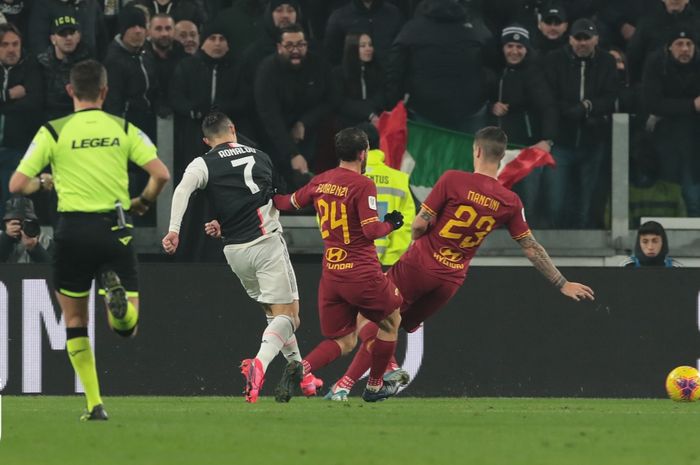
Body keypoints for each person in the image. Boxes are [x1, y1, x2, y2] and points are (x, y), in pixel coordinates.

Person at [324, 127, 595, 400]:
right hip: (449, 282)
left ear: (476, 150)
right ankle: (353, 384)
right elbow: (531, 247)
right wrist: (562, 282)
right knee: (393, 324)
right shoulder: (510, 201)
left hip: (419, 266)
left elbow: (419, 225)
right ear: (501, 157)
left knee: (369, 318)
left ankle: (362, 381)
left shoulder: (453, 180)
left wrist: (415, 239)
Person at [9, 59, 170, 420]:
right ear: (105, 91)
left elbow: (17, 184)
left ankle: (95, 404)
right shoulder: (123, 128)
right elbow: (161, 174)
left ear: (70, 91)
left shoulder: (53, 131)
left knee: (75, 320)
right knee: (127, 329)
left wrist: (44, 184)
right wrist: (143, 201)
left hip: (70, 233)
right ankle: (120, 309)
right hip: (114, 230)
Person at [161, 111, 306, 404]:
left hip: (234, 252)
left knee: (272, 314)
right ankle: (260, 365)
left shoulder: (203, 162)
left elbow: (182, 190)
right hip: (265, 243)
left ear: (206, 140)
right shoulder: (261, 157)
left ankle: (301, 373)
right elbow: (265, 199)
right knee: (290, 318)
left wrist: (174, 230)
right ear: (233, 129)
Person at [273, 127, 407, 402]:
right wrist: (391, 224)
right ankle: (374, 386)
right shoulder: (362, 184)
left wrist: (267, 195)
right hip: (362, 273)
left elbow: (288, 203)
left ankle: (301, 368)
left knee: (345, 341)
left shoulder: (321, 181)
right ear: (363, 153)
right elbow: (371, 231)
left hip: (332, 275)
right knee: (392, 321)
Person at [541, 18, 618, 228]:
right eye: (578, 38)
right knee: (555, 201)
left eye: (587, 38)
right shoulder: (553, 60)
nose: (582, 43)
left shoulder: (607, 62)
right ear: (570, 39)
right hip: (561, 141)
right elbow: (548, 97)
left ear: (596, 39)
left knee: (587, 203)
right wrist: (566, 112)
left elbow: (613, 97)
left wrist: (587, 107)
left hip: (593, 141)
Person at [255, 23, 338, 188]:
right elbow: (270, 116)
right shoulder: (267, 70)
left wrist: (304, 123)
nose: (295, 50)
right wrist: (292, 154)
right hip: (273, 136)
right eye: (289, 45)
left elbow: (332, 100)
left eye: (301, 44)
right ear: (279, 47)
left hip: (309, 132)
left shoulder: (318, 65)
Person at [641, 27, 700, 216]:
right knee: (672, 195)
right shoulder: (657, 63)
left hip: (695, 141)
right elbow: (653, 103)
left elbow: (662, 105)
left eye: (689, 44)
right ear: (669, 47)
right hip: (666, 141)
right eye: (680, 44)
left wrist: (671, 107)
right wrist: (692, 105)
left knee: (693, 197)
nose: (685, 49)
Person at [0, 23, 43, 219]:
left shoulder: (31, 65)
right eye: (5, 44)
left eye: (15, 44)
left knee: (12, 205)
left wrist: (5, 107)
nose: (11, 49)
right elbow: (19, 100)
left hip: (17, 146)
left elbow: (33, 102)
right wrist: (8, 94)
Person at [359, 122, 414, 265]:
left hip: (349, 266)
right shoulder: (399, 179)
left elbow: (327, 220)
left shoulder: (340, 180)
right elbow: (405, 226)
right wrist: (390, 261)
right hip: (387, 267)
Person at [37, 15, 93, 121]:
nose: (68, 38)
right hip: (47, 121)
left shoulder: (88, 64)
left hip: (79, 119)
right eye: (62, 33)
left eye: (72, 33)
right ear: (53, 39)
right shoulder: (41, 63)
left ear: (79, 37)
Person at [324, 0, 404, 66]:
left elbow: (401, 52)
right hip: (354, 81)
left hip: (390, 79)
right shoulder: (338, 18)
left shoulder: (394, 13)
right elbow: (332, 58)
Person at [332, 32, 386, 128]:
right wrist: (369, 114)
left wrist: (372, 113)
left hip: (374, 120)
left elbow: (381, 96)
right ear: (352, 48)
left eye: (370, 45)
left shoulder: (378, 70)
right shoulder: (338, 73)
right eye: (363, 46)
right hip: (348, 124)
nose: (368, 49)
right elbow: (341, 103)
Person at [0, 196, 54, 263]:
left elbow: (52, 270)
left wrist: (34, 247)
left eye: (26, 223)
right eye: (17, 223)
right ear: (6, 223)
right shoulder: (1, 237)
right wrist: (6, 238)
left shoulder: (45, 240)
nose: (22, 227)